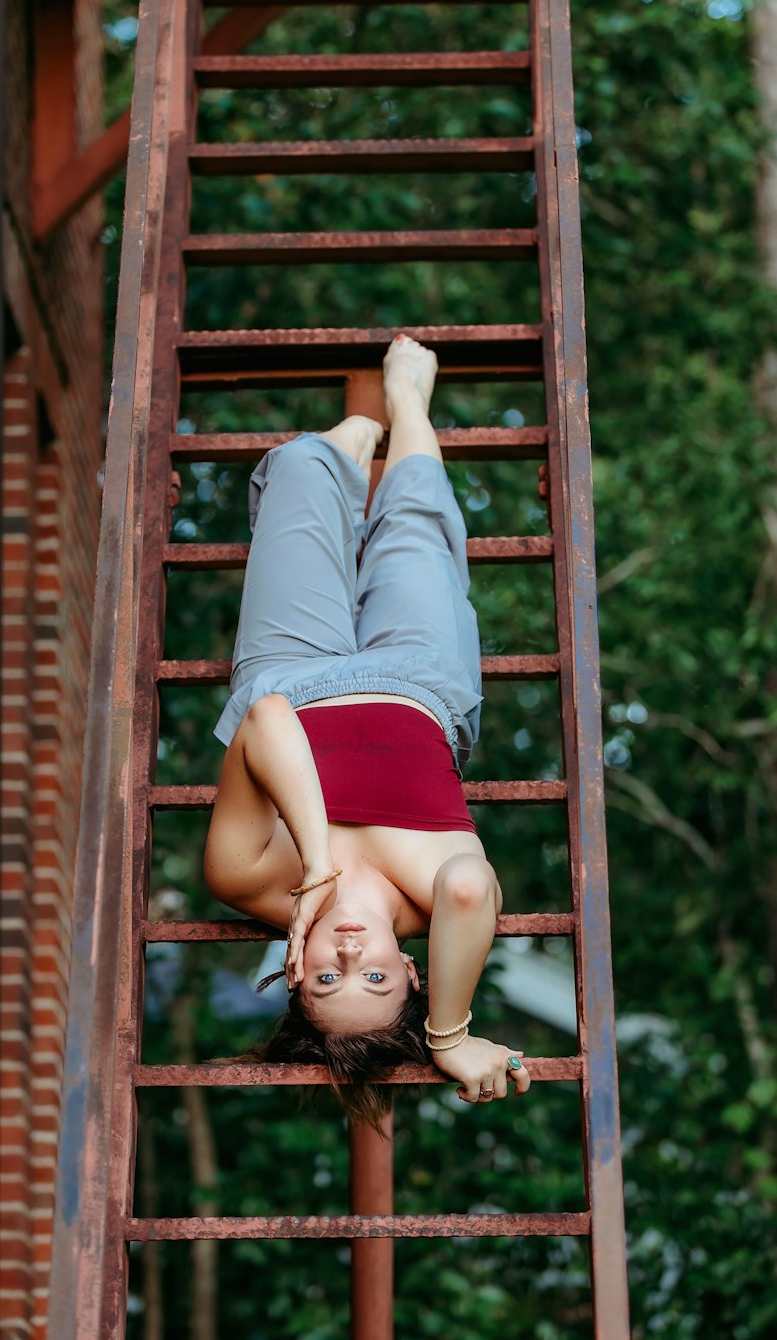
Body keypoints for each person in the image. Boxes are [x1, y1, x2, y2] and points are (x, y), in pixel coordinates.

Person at [204, 335, 531, 1127]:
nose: (350, 956)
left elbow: (268, 720)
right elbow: (468, 888)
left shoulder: (248, 881)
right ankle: (408, 403)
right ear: (414, 972)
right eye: (376, 981)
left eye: (327, 981)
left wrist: (315, 863)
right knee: (417, 522)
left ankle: (346, 451)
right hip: (421, 679)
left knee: (298, 468)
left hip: (290, 671)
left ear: (292, 970)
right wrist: (449, 1037)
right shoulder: (437, 896)